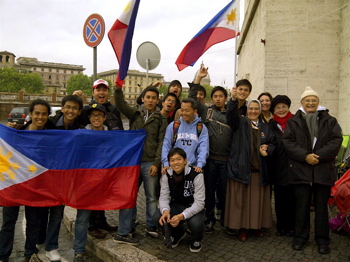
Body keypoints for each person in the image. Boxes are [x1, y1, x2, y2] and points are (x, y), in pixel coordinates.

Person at [282, 86, 342, 254]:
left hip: (322, 170)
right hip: (301, 171)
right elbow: (288, 142)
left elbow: (335, 140)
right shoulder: (294, 121)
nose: (310, 103)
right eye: (307, 100)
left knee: (322, 209)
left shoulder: (329, 120)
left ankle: (323, 240)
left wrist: (318, 156)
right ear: (302, 102)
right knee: (301, 207)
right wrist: (305, 156)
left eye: (313, 100)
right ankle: (300, 238)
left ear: (318, 102)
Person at [0, 99, 56, 262]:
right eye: (37, 113)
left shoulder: (51, 135)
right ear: (31, 114)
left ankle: (30, 253)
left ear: (48, 115)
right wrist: (8, 131)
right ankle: (3, 255)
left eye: (44, 114)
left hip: (35, 184)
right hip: (14, 184)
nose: (40, 117)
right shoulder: (17, 132)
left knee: (33, 222)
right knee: (8, 222)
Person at [114, 84, 167, 242]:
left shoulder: (161, 118)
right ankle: (126, 227)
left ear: (158, 100)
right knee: (130, 195)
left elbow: (161, 142)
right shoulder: (135, 114)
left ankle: (151, 225)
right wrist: (117, 89)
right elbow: (120, 103)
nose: (150, 100)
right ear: (142, 99)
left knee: (151, 197)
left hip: (150, 162)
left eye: (153, 98)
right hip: (133, 162)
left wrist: (156, 164)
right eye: (148, 97)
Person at [74, 79, 123, 239]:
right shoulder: (85, 111)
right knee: (92, 192)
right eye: (98, 90)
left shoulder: (114, 110)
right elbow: (72, 122)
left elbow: (121, 134)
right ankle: (92, 225)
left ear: (107, 93)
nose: (101, 93)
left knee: (102, 192)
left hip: (107, 161)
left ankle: (102, 221)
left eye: (104, 90)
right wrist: (76, 100)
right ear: (93, 92)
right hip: (90, 164)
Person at [225, 89, 275, 242]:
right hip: (242, 170)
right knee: (243, 203)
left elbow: (273, 143)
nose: (253, 111)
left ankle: (257, 227)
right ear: (247, 110)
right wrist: (233, 100)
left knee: (258, 202)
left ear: (260, 111)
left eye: (256, 109)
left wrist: (268, 149)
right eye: (251, 108)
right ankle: (243, 228)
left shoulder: (266, 127)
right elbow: (230, 116)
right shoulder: (240, 122)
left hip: (259, 171)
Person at [187, 66, 232, 233]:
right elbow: (192, 98)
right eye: (215, 96)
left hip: (226, 160)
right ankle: (209, 218)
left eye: (221, 96)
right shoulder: (207, 111)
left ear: (225, 98)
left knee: (224, 193)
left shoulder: (231, 114)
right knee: (209, 191)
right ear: (212, 98)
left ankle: (225, 219)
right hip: (210, 160)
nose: (218, 99)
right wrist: (198, 78)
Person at [73, 103, 107, 262]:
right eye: (93, 115)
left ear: (104, 118)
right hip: (86, 182)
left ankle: (124, 233)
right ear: (89, 118)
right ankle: (79, 251)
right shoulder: (81, 134)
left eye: (99, 115)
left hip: (104, 181)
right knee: (82, 218)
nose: (96, 118)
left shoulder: (112, 135)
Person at [154, 148, 205, 252]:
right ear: (169, 162)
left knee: (195, 223)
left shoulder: (197, 174)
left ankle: (197, 239)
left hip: (193, 206)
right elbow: (164, 196)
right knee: (157, 216)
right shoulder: (166, 175)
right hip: (176, 205)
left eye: (179, 159)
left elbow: (199, 202)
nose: (176, 163)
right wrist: (165, 211)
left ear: (185, 160)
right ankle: (177, 234)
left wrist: (181, 216)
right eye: (172, 160)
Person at [268, 95, 295, 236]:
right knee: (279, 198)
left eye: (284, 106)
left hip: (294, 166)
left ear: (288, 107)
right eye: (278, 107)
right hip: (278, 166)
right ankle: (281, 225)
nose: (281, 109)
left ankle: (291, 226)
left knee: (292, 198)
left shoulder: (296, 122)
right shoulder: (271, 125)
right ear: (274, 110)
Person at [161, 98, 209, 175]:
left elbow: (203, 148)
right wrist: (166, 164)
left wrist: (199, 165)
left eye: (187, 110)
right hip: (174, 167)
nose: (184, 113)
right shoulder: (173, 126)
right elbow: (166, 145)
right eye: (182, 110)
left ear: (194, 111)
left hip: (192, 168)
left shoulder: (201, 127)